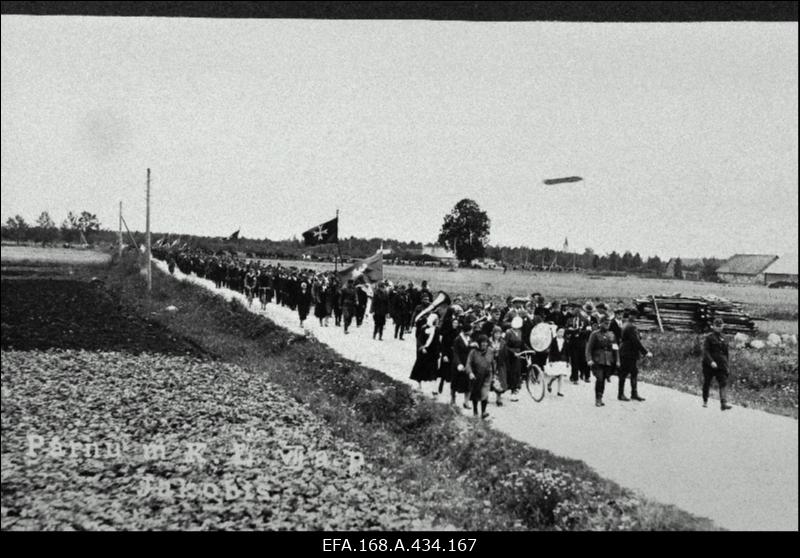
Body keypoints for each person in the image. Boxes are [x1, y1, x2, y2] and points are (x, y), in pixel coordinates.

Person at [585, 314, 620, 407]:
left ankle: (601, 396)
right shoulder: (594, 334)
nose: (607, 325)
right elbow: (589, 348)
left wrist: (617, 361)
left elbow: (616, 349)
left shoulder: (611, 335)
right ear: (600, 324)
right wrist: (589, 359)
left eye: (608, 323)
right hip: (597, 360)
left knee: (603, 378)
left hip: (608, 360)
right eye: (605, 323)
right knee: (599, 378)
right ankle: (598, 399)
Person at [618, 311, 652, 401]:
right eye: (632, 315)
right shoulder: (631, 327)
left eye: (635, 316)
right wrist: (645, 352)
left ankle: (633, 393)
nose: (634, 317)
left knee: (633, 372)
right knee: (625, 373)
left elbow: (633, 338)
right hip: (628, 353)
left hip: (626, 352)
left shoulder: (626, 325)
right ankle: (622, 394)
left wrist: (638, 336)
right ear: (629, 316)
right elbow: (635, 341)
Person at [702, 318, 733, 411]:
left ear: (723, 326)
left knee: (723, 382)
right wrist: (711, 362)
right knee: (707, 382)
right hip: (709, 365)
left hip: (721, 365)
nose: (719, 328)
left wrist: (727, 365)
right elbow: (706, 351)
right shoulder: (709, 338)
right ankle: (705, 400)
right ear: (713, 326)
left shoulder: (725, 338)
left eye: (720, 326)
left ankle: (723, 403)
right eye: (717, 326)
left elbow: (726, 353)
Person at [466, 334, 495, 419]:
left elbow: (493, 363)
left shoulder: (490, 351)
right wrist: (470, 372)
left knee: (484, 393)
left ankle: (483, 412)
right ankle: (475, 411)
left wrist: (494, 374)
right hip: (476, 376)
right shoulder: (473, 352)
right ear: (479, 343)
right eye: (482, 343)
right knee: (475, 393)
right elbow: (468, 363)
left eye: (486, 343)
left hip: (487, 375)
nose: (484, 344)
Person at [410, 314, 440, 391]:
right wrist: (422, 348)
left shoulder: (436, 330)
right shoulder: (424, 328)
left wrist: (438, 352)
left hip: (432, 353)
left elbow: (437, 342)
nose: (437, 321)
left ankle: (434, 389)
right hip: (424, 352)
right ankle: (419, 385)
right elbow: (419, 339)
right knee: (420, 369)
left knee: (433, 371)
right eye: (436, 320)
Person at [451, 319, 475, 409]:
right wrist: (458, 364)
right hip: (459, 364)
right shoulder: (458, 339)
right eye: (471, 330)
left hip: (467, 363)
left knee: (468, 383)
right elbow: (455, 353)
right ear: (467, 331)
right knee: (455, 382)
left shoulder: (470, 339)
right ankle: (453, 399)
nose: (472, 331)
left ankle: (466, 402)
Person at [505, 316, 525, 401]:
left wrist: (529, 349)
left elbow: (522, 343)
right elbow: (505, 345)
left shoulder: (520, 332)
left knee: (517, 373)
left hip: (518, 354)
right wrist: (513, 353)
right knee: (512, 373)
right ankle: (512, 391)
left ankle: (515, 390)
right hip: (510, 355)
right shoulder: (508, 332)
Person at [546, 327, 569, 397]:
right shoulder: (553, 341)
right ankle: (549, 382)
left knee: (561, 375)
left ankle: (560, 391)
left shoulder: (565, 341)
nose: (561, 333)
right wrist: (550, 360)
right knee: (555, 374)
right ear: (556, 332)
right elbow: (550, 351)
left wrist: (568, 361)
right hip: (555, 359)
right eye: (560, 332)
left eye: (562, 332)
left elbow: (567, 352)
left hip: (563, 359)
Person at [489, 325, 508, 406]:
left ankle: (498, 399)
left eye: (499, 333)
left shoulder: (503, 342)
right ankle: (485, 396)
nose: (497, 335)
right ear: (493, 334)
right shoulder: (489, 341)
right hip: (491, 363)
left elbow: (505, 353)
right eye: (496, 333)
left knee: (500, 380)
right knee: (489, 380)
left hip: (500, 364)